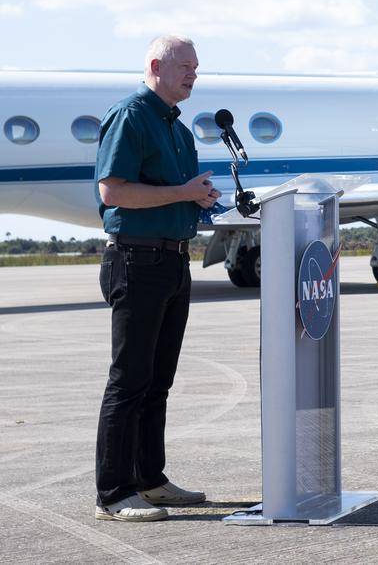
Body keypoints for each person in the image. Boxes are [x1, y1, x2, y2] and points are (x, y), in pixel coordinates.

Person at [93, 35, 221, 522]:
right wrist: (182, 192)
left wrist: (199, 197)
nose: (193, 74)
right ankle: (114, 493)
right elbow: (114, 192)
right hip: (137, 260)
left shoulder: (178, 129)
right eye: (185, 66)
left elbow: (175, 192)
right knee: (129, 381)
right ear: (155, 66)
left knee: (158, 381)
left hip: (173, 261)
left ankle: (150, 480)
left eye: (196, 67)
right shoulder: (132, 115)